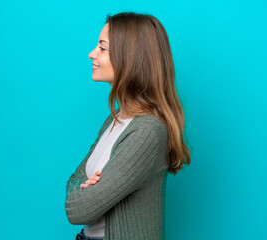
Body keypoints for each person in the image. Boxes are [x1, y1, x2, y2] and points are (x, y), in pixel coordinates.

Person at [65, 11, 191, 240]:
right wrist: (84, 184)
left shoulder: (147, 132)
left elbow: (77, 210)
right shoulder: (114, 121)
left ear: (129, 58)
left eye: (102, 48)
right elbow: (74, 180)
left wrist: (84, 188)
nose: (92, 54)